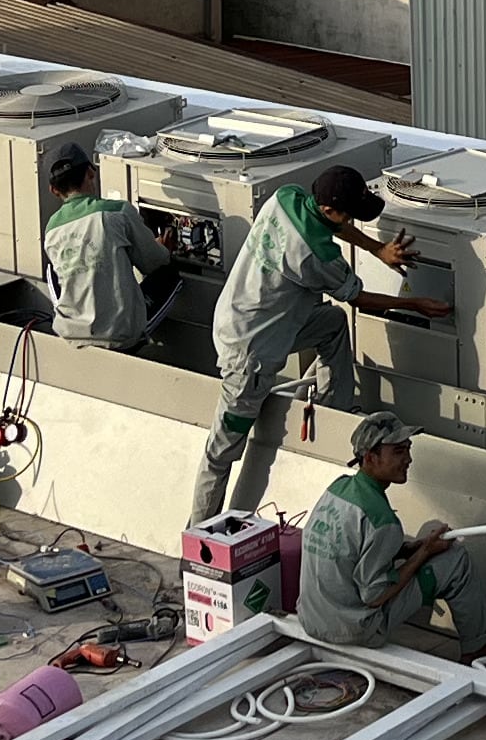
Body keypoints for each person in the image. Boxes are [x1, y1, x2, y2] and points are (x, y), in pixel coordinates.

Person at [190, 164, 446, 526]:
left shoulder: (286, 197)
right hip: (250, 358)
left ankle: (332, 411)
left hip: (243, 317)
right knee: (221, 454)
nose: (351, 220)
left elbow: (334, 225)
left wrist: (378, 250)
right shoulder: (315, 256)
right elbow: (357, 298)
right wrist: (415, 304)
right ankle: (199, 533)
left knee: (332, 324)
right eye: (349, 213)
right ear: (328, 208)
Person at [295, 411, 486, 660]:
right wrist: (425, 552)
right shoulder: (383, 520)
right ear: (370, 457)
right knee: (457, 561)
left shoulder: (338, 488)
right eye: (398, 451)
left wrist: (409, 549)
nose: (408, 459)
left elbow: (354, 549)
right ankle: (476, 650)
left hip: (312, 619)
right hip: (354, 629)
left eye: (408, 448)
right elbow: (374, 597)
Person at [38, 143, 170, 349]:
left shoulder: (51, 230)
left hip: (70, 336)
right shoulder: (118, 212)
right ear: (91, 172)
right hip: (118, 337)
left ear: (54, 190)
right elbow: (153, 262)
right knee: (169, 274)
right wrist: (163, 247)